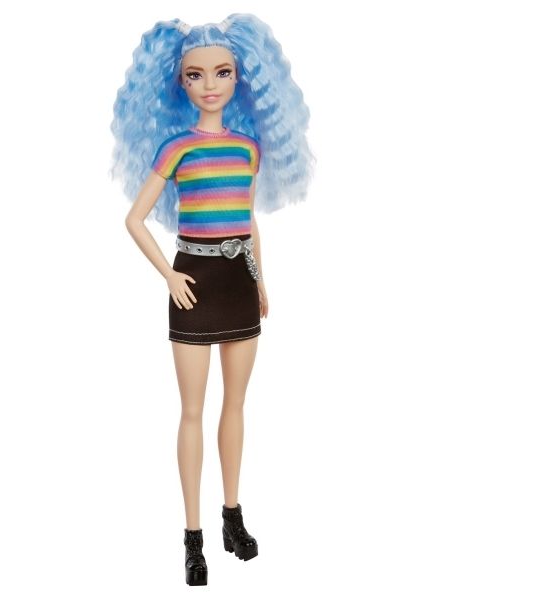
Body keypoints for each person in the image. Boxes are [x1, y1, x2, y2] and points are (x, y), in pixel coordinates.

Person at [110, 13, 314, 586]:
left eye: (222, 72)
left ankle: (232, 515)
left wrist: (261, 279)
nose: (209, 85)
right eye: (195, 75)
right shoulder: (176, 148)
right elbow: (134, 220)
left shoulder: (248, 149)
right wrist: (169, 277)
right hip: (193, 280)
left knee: (236, 404)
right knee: (193, 410)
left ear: (241, 78)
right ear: (179, 82)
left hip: (239, 280)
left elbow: (248, 220)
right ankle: (192, 536)